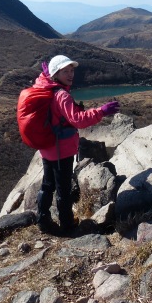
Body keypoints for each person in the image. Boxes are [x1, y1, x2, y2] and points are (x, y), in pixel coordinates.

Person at [34, 54, 119, 234]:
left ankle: (42, 219)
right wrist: (101, 112)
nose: (71, 74)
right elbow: (78, 120)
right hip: (61, 149)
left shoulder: (45, 86)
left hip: (47, 147)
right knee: (63, 188)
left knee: (47, 184)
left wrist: (46, 74)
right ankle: (67, 225)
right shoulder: (62, 95)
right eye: (65, 71)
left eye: (72, 70)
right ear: (56, 73)